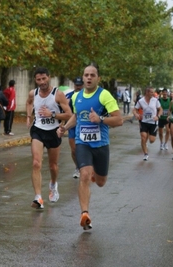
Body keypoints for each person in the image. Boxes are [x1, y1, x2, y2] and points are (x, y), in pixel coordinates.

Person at [57, 63, 123, 230]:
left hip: (101, 144)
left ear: (98, 78)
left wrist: (101, 120)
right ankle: (84, 214)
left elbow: (118, 120)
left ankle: (96, 174)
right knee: (84, 174)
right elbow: (76, 116)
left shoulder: (104, 95)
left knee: (100, 182)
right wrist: (65, 128)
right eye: (86, 75)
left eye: (92, 75)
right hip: (82, 143)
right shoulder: (76, 97)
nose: (88, 78)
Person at [26, 67, 72, 209]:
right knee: (36, 163)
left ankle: (53, 184)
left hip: (53, 132)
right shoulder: (33, 93)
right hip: (38, 130)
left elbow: (69, 114)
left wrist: (52, 115)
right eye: (39, 80)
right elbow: (28, 103)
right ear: (35, 80)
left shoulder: (58, 94)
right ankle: (38, 197)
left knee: (53, 165)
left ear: (49, 77)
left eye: (44, 79)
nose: (42, 82)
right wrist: (29, 116)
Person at [133, 87, 162, 161]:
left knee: (151, 140)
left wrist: (158, 116)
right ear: (147, 93)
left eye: (153, 92)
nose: (153, 93)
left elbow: (160, 109)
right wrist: (136, 114)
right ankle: (145, 154)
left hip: (153, 122)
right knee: (143, 137)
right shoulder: (141, 101)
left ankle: (149, 134)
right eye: (151, 92)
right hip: (144, 122)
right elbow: (135, 109)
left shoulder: (155, 100)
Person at [65, 76, 84, 178]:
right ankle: (77, 167)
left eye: (80, 85)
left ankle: (85, 166)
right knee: (74, 149)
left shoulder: (87, 96)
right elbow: (64, 111)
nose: (78, 87)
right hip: (72, 126)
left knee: (84, 148)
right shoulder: (68, 96)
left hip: (84, 125)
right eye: (77, 85)